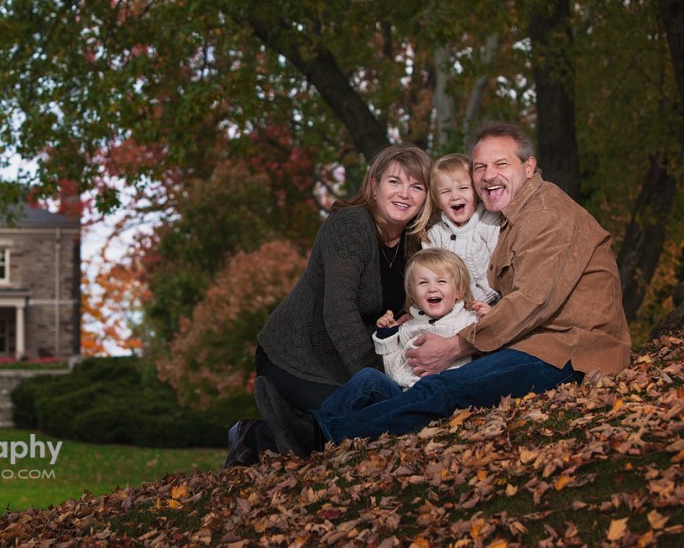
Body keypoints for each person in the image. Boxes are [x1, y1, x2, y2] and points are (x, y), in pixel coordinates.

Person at [256, 121, 633, 458]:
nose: (488, 175)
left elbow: (531, 303)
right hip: (300, 356)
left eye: (501, 164)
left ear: (529, 167)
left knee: (443, 388)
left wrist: (457, 344)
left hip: (568, 349)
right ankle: (286, 432)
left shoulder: (546, 216)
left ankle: (319, 434)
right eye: (480, 167)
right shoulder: (512, 219)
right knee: (404, 386)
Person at [225, 143, 433, 468]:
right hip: (295, 357)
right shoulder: (350, 225)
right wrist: (379, 376)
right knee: (363, 421)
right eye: (395, 181)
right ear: (374, 185)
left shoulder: (414, 244)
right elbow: (339, 312)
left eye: (416, 186)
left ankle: (263, 436)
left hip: (344, 362)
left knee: (366, 424)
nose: (404, 193)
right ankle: (253, 435)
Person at [374, 248, 488, 389]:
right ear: (413, 294)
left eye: (441, 281)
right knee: (367, 377)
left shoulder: (469, 320)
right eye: (423, 283)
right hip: (414, 395)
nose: (432, 288)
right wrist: (388, 336)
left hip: (456, 391)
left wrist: (489, 319)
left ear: (458, 291)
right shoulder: (407, 328)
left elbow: (491, 349)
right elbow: (395, 373)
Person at [423, 153, 501, 305]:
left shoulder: (488, 223)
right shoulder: (435, 235)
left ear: (477, 193)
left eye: (463, 188)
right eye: (446, 192)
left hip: (491, 301)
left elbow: (501, 269)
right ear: (437, 201)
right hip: (449, 307)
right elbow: (428, 276)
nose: (455, 196)